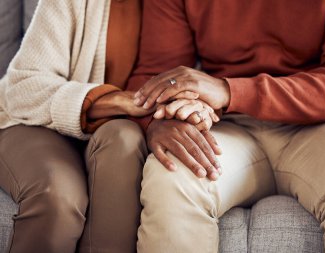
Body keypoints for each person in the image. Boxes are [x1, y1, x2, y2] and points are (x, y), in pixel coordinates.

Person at [129, 0, 325, 252]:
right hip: (227, 124)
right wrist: (156, 121)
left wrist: (228, 91)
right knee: (171, 175)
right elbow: (157, 73)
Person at [0, 0, 217, 252]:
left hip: (118, 130)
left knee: (125, 139)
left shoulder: (188, 7)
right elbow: (23, 89)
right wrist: (120, 100)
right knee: (58, 197)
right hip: (30, 120)